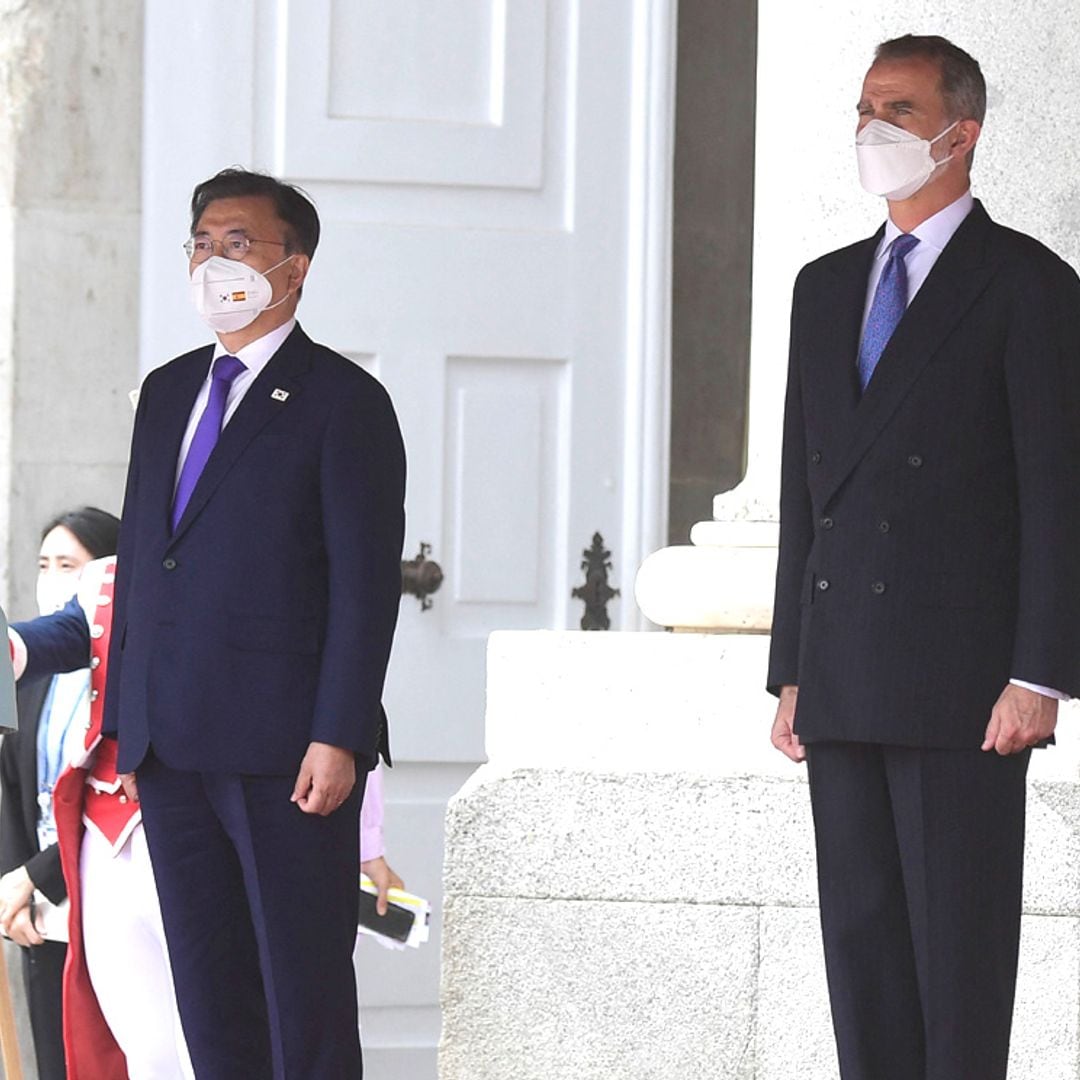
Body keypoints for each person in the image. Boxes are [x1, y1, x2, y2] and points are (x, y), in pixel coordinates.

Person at [767, 34, 1080, 1080]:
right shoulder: (822, 288)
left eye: (897, 109)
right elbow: (807, 496)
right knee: (861, 955)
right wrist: (794, 669)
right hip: (846, 671)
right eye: (863, 107)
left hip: (968, 687)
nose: (872, 128)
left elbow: (1059, 493)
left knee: (957, 958)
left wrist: (1039, 674)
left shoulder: (1030, 285)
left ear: (962, 132)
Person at [102, 167, 405, 1079]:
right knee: (209, 993)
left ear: (295, 265)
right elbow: (150, 558)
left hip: (284, 753)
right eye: (200, 242)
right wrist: (125, 715)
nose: (212, 261)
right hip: (170, 740)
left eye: (237, 243)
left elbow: (364, 585)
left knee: (299, 997)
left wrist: (339, 733)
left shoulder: (344, 402)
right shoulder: (165, 392)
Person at [0, 507, 120, 1080]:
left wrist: (35, 876)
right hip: (37, 911)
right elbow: (11, 783)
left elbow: (106, 795)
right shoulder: (29, 667)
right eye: (44, 564)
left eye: (68, 565)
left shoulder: (122, 672)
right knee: (54, 1061)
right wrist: (12, 888)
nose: (53, 578)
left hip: (103, 889)